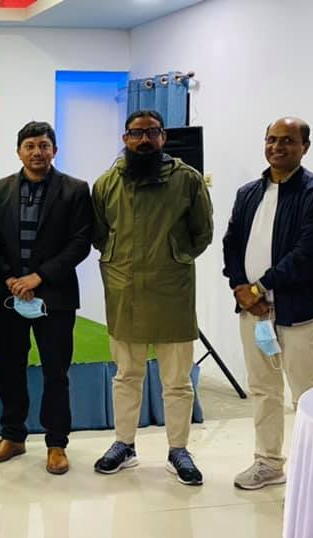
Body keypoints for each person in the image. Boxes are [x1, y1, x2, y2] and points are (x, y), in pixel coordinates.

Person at [91, 110, 213, 486]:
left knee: (177, 380)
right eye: (136, 133)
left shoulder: (187, 180)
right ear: (125, 138)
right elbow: (99, 234)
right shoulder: (107, 183)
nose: (144, 140)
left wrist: (174, 256)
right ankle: (124, 445)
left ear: (163, 137)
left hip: (172, 291)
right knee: (126, 375)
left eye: (151, 132)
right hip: (124, 290)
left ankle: (179, 450)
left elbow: (202, 233)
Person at [222, 117, 313, 490]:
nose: (277, 147)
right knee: (263, 389)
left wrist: (261, 286)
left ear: (305, 147)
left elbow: (307, 253)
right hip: (254, 313)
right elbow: (231, 243)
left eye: (287, 141)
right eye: (272, 139)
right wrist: (240, 287)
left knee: (308, 394)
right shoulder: (249, 192)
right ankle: (268, 463)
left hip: (297, 312)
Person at [0, 121, 93, 475]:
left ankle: (56, 443)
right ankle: (12, 436)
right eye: (29, 146)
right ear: (18, 151)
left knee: (55, 372)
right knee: (9, 369)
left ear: (54, 150)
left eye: (43, 145)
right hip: (10, 296)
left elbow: (80, 243)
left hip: (55, 297)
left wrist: (39, 277)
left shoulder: (75, 190)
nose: (37, 152)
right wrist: (11, 279)